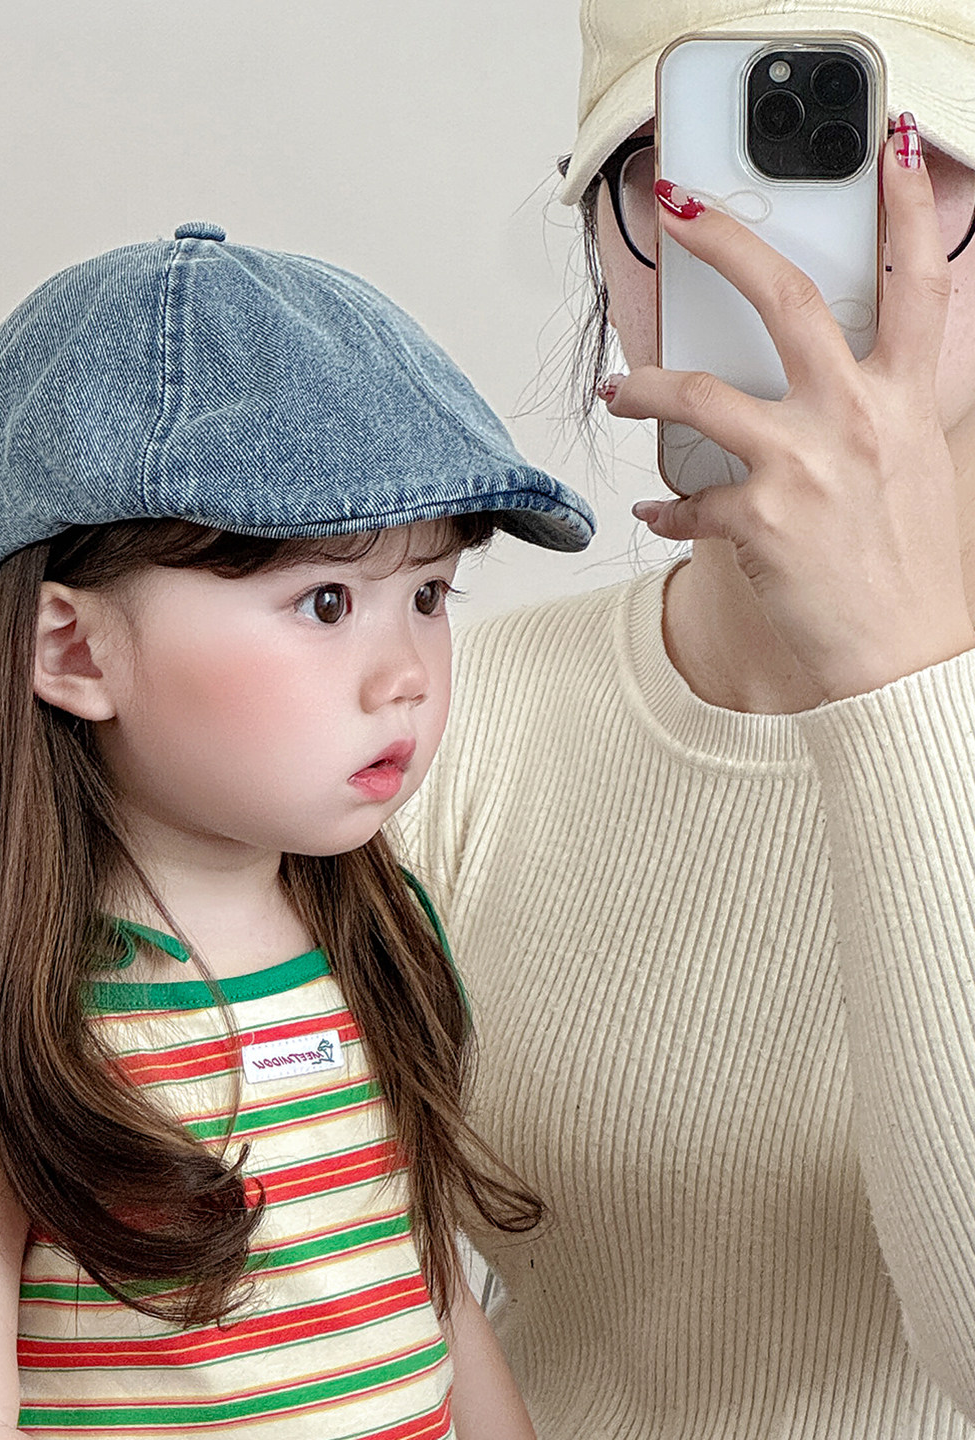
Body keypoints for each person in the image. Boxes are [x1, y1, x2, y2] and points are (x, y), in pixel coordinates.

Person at [0, 221, 598, 1439]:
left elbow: (435, 1306)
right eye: (325, 601)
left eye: (429, 595)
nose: (408, 676)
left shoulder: (384, 940)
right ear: (70, 648)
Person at [399, 2, 975, 1436]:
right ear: (602, 233)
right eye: (692, 170)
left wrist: (900, 674)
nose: (773, 250)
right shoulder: (442, 723)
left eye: (888, 155)